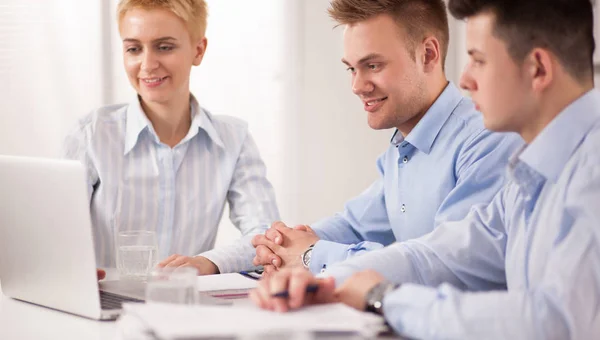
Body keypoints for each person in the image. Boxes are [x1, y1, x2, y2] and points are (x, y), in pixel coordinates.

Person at [251, 0, 600, 338]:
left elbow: (555, 323)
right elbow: (437, 254)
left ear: (537, 68)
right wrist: (329, 282)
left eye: (478, 60)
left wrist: (382, 297)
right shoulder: (531, 174)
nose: (464, 80)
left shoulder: (591, 170)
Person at [251, 0, 521, 275]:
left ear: (428, 54)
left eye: (373, 65)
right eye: (352, 68)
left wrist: (312, 254)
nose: (357, 86)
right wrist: (283, 246)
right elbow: (354, 225)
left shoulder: (487, 141)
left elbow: (448, 265)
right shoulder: (401, 149)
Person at [64, 0, 279, 276]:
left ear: (198, 50)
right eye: (133, 49)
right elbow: (59, 235)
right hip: (106, 307)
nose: (148, 64)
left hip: (188, 306)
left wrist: (207, 263)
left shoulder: (233, 140)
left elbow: (266, 236)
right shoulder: (91, 135)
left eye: (164, 47)